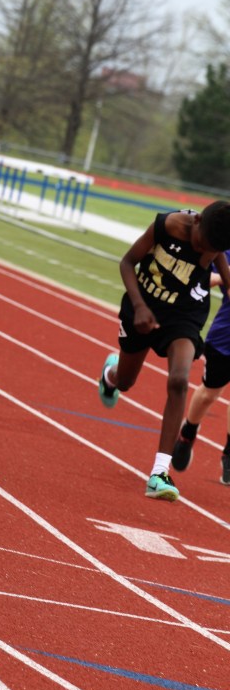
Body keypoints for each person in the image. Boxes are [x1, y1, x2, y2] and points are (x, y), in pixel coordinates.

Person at [98, 202, 230, 501]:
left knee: (179, 380)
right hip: (143, 306)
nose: (202, 252)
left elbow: (219, 255)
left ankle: (159, 473)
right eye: (200, 245)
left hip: (183, 315)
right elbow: (127, 262)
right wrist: (141, 307)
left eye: (209, 251)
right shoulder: (169, 225)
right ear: (195, 221)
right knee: (126, 382)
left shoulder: (214, 243)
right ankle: (110, 376)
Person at [171, 254, 230, 484]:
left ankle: (228, 454)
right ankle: (187, 434)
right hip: (225, 341)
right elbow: (202, 278)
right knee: (209, 394)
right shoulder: (225, 249)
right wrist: (220, 278)